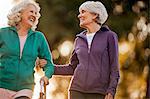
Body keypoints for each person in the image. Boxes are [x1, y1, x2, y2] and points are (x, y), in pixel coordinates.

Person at [39, 1, 120, 99]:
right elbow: (72, 67)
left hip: (99, 91)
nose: (79, 16)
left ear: (95, 15)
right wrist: (50, 67)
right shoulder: (79, 39)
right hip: (76, 90)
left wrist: (111, 91)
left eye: (83, 12)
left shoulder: (109, 36)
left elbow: (114, 68)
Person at [0, 0, 54, 99]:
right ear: (19, 13)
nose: (34, 15)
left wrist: (46, 76)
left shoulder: (38, 37)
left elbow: (49, 63)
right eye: (31, 12)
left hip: (25, 88)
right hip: (2, 85)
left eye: (36, 13)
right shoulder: (3, 33)